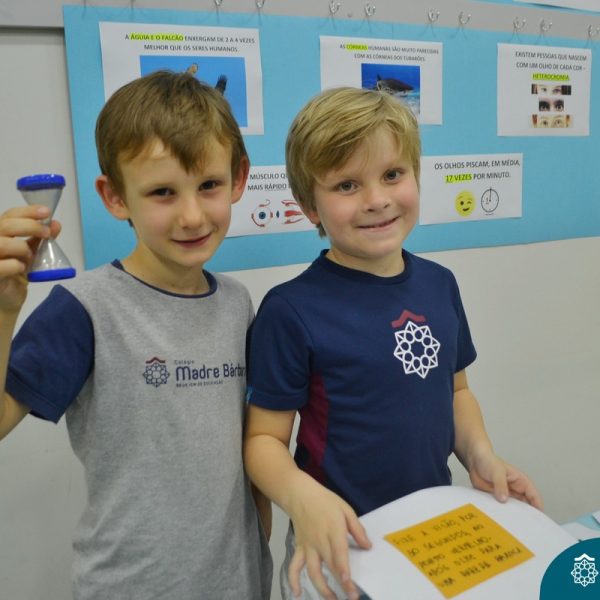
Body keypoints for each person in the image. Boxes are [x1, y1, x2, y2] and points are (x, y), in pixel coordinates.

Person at [243, 87, 543, 600]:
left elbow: (456, 392)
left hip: (433, 531)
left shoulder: (440, 284)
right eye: (347, 184)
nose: (377, 199)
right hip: (341, 542)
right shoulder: (291, 310)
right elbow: (262, 442)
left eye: (392, 175)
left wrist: (480, 455)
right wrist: (302, 500)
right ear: (309, 206)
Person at [0, 70, 272, 599]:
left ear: (239, 178)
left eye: (209, 185)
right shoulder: (83, 309)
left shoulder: (238, 304)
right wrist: (4, 312)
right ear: (116, 196)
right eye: (163, 192)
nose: (192, 215)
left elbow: (247, 446)